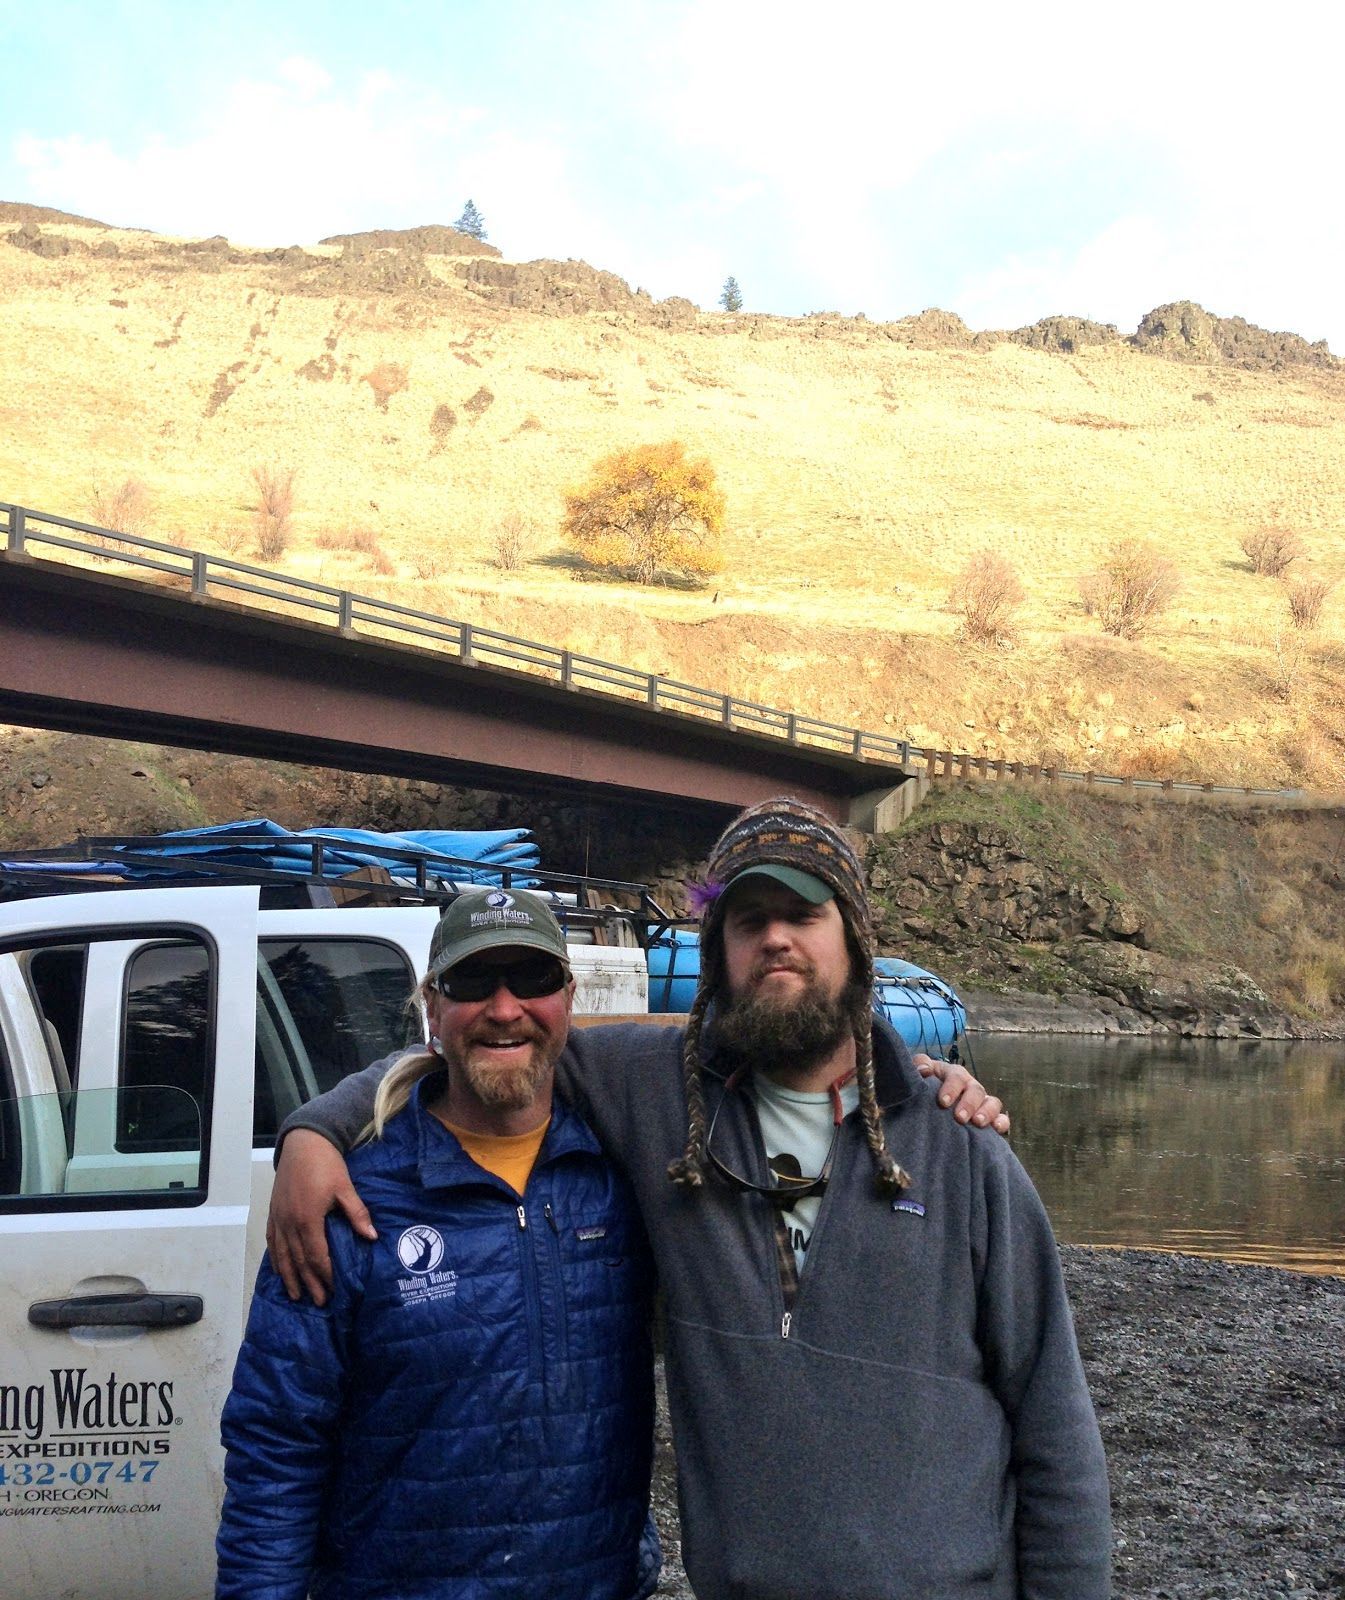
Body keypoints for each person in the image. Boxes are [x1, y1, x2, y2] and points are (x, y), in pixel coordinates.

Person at [273, 800, 1107, 1598]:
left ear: (854, 941)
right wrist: (315, 1130)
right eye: (747, 921)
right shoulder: (649, 1093)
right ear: (717, 954)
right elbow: (490, 1042)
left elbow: (1055, 1431)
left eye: (803, 914)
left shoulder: (961, 1148)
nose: (775, 938)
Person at [216, 889, 660, 1600]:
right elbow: (277, 1442)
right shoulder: (350, 1201)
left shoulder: (623, 1177)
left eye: (534, 979)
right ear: (431, 1005)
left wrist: (893, 1084)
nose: (505, 1007)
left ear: (569, 998)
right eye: (473, 981)